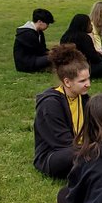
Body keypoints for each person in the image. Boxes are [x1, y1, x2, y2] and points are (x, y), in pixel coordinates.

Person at [33, 44, 91, 178]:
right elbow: (62, 143)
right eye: (82, 81)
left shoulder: (84, 98)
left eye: (88, 78)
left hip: (81, 149)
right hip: (56, 154)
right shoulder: (50, 104)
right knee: (77, 155)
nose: (88, 84)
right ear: (67, 82)